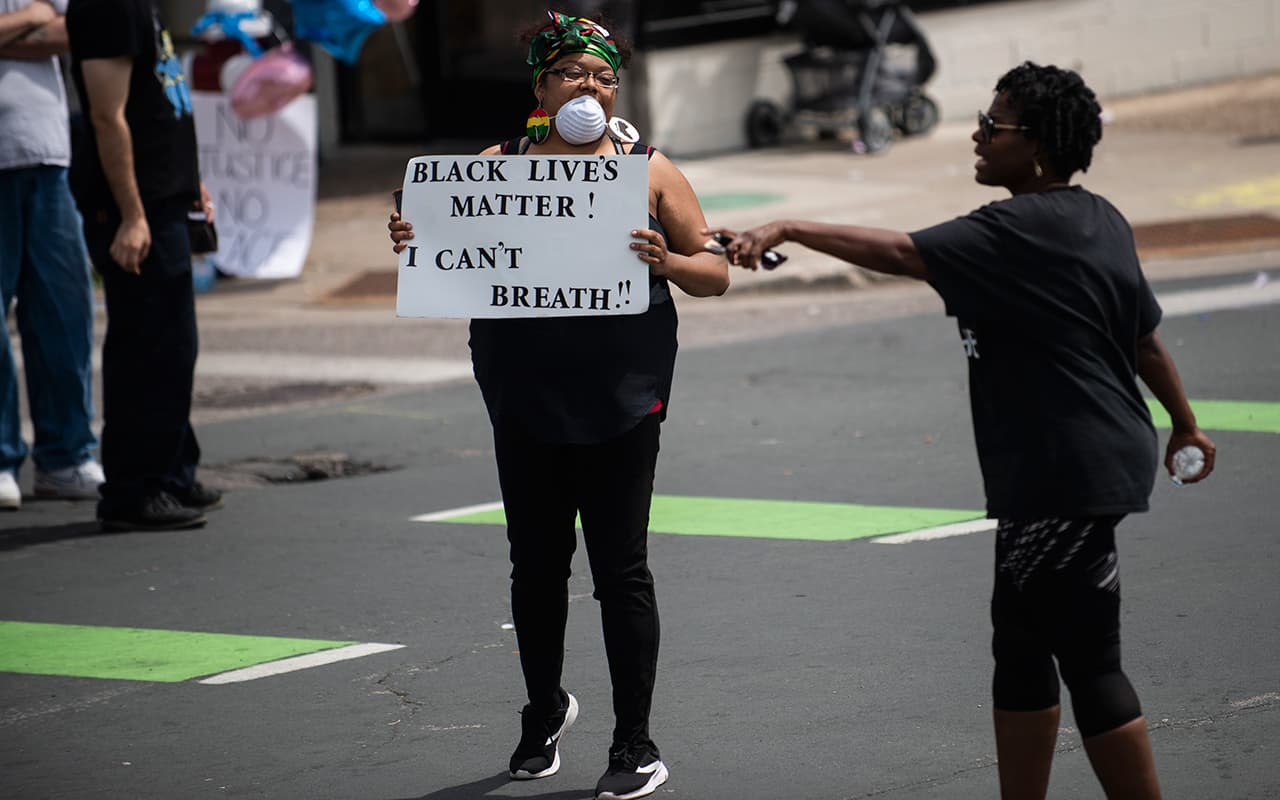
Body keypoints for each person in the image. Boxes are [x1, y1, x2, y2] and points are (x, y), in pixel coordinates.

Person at [717, 62, 1215, 800]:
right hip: (1071, 464)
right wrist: (1184, 423)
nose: (977, 136)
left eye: (994, 125)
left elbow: (898, 253)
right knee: (1019, 647)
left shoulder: (1011, 231)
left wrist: (787, 225)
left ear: (1039, 146)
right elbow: (1142, 337)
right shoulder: (1098, 215)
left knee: (1088, 660)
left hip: (1064, 470)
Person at [389, 11, 729, 799]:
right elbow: (436, 244)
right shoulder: (495, 166)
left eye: (604, 76)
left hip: (623, 396)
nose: (591, 88)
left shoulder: (649, 170)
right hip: (525, 394)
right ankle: (543, 710)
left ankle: (635, 744)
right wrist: (411, 232)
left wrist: (669, 259)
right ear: (541, 85)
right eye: (573, 73)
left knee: (621, 571)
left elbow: (715, 273)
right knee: (535, 567)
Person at [66, 0, 222, 531]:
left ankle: (172, 472)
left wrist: (189, 181)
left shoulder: (140, 7)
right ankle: (135, 490)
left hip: (164, 200)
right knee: (147, 346)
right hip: (139, 210)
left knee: (175, 346)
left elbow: (163, 104)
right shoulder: (113, 7)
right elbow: (107, 116)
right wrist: (132, 215)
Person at [0, 0, 104, 511]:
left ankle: (64, 457)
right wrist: (33, 15)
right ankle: (1, 459)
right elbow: (54, 23)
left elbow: (80, 30)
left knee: (64, 313)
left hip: (47, 152)